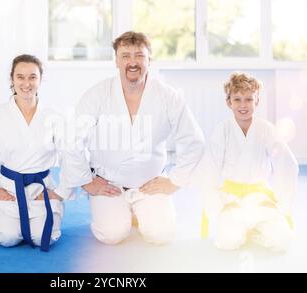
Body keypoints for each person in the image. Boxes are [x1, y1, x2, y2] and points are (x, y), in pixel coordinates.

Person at [61, 31, 205, 245]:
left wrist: (175, 181)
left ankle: (140, 211)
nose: (132, 62)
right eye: (125, 55)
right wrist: (87, 181)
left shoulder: (168, 96)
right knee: (111, 235)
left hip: (150, 184)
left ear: (150, 60)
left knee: (162, 235)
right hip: (109, 184)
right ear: (116, 61)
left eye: (139, 55)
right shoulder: (97, 95)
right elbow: (72, 139)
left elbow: (194, 141)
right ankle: (121, 211)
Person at [0, 54, 72, 252]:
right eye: (20, 77)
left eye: (32, 77)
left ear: (40, 79)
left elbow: (70, 156)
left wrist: (60, 192)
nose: (26, 83)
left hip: (41, 190)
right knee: (6, 237)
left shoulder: (53, 117)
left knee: (43, 237)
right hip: (8, 189)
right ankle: (6, 218)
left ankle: (44, 214)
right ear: (12, 79)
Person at [200, 72, 298, 252]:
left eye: (249, 99)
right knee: (227, 242)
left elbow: (287, 164)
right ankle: (241, 227)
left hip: (260, 198)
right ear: (228, 102)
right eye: (237, 99)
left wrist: (280, 200)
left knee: (282, 241)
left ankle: (254, 229)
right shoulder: (222, 130)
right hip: (231, 199)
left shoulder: (266, 129)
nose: (243, 105)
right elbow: (209, 169)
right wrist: (217, 206)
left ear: (257, 101)